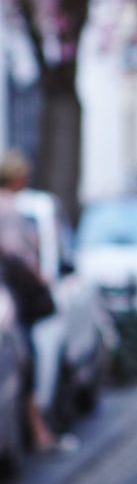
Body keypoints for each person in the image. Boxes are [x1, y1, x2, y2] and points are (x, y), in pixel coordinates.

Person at [0, 149, 72, 454]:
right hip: (16, 304)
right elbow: (18, 255)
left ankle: (38, 432)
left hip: (13, 302)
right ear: (17, 177)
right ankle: (39, 434)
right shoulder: (9, 209)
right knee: (26, 367)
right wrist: (39, 273)